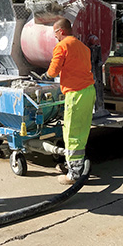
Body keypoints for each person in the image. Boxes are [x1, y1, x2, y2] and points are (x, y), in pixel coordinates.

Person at [42, 18, 96, 185]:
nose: (55, 36)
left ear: (61, 31)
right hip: (88, 91)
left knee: (72, 133)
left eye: (55, 33)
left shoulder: (62, 46)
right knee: (82, 130)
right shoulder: (83, 47)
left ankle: (73, 174)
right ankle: (73, 165)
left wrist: (46, 76)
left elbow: (53, 71)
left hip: (76, 93)